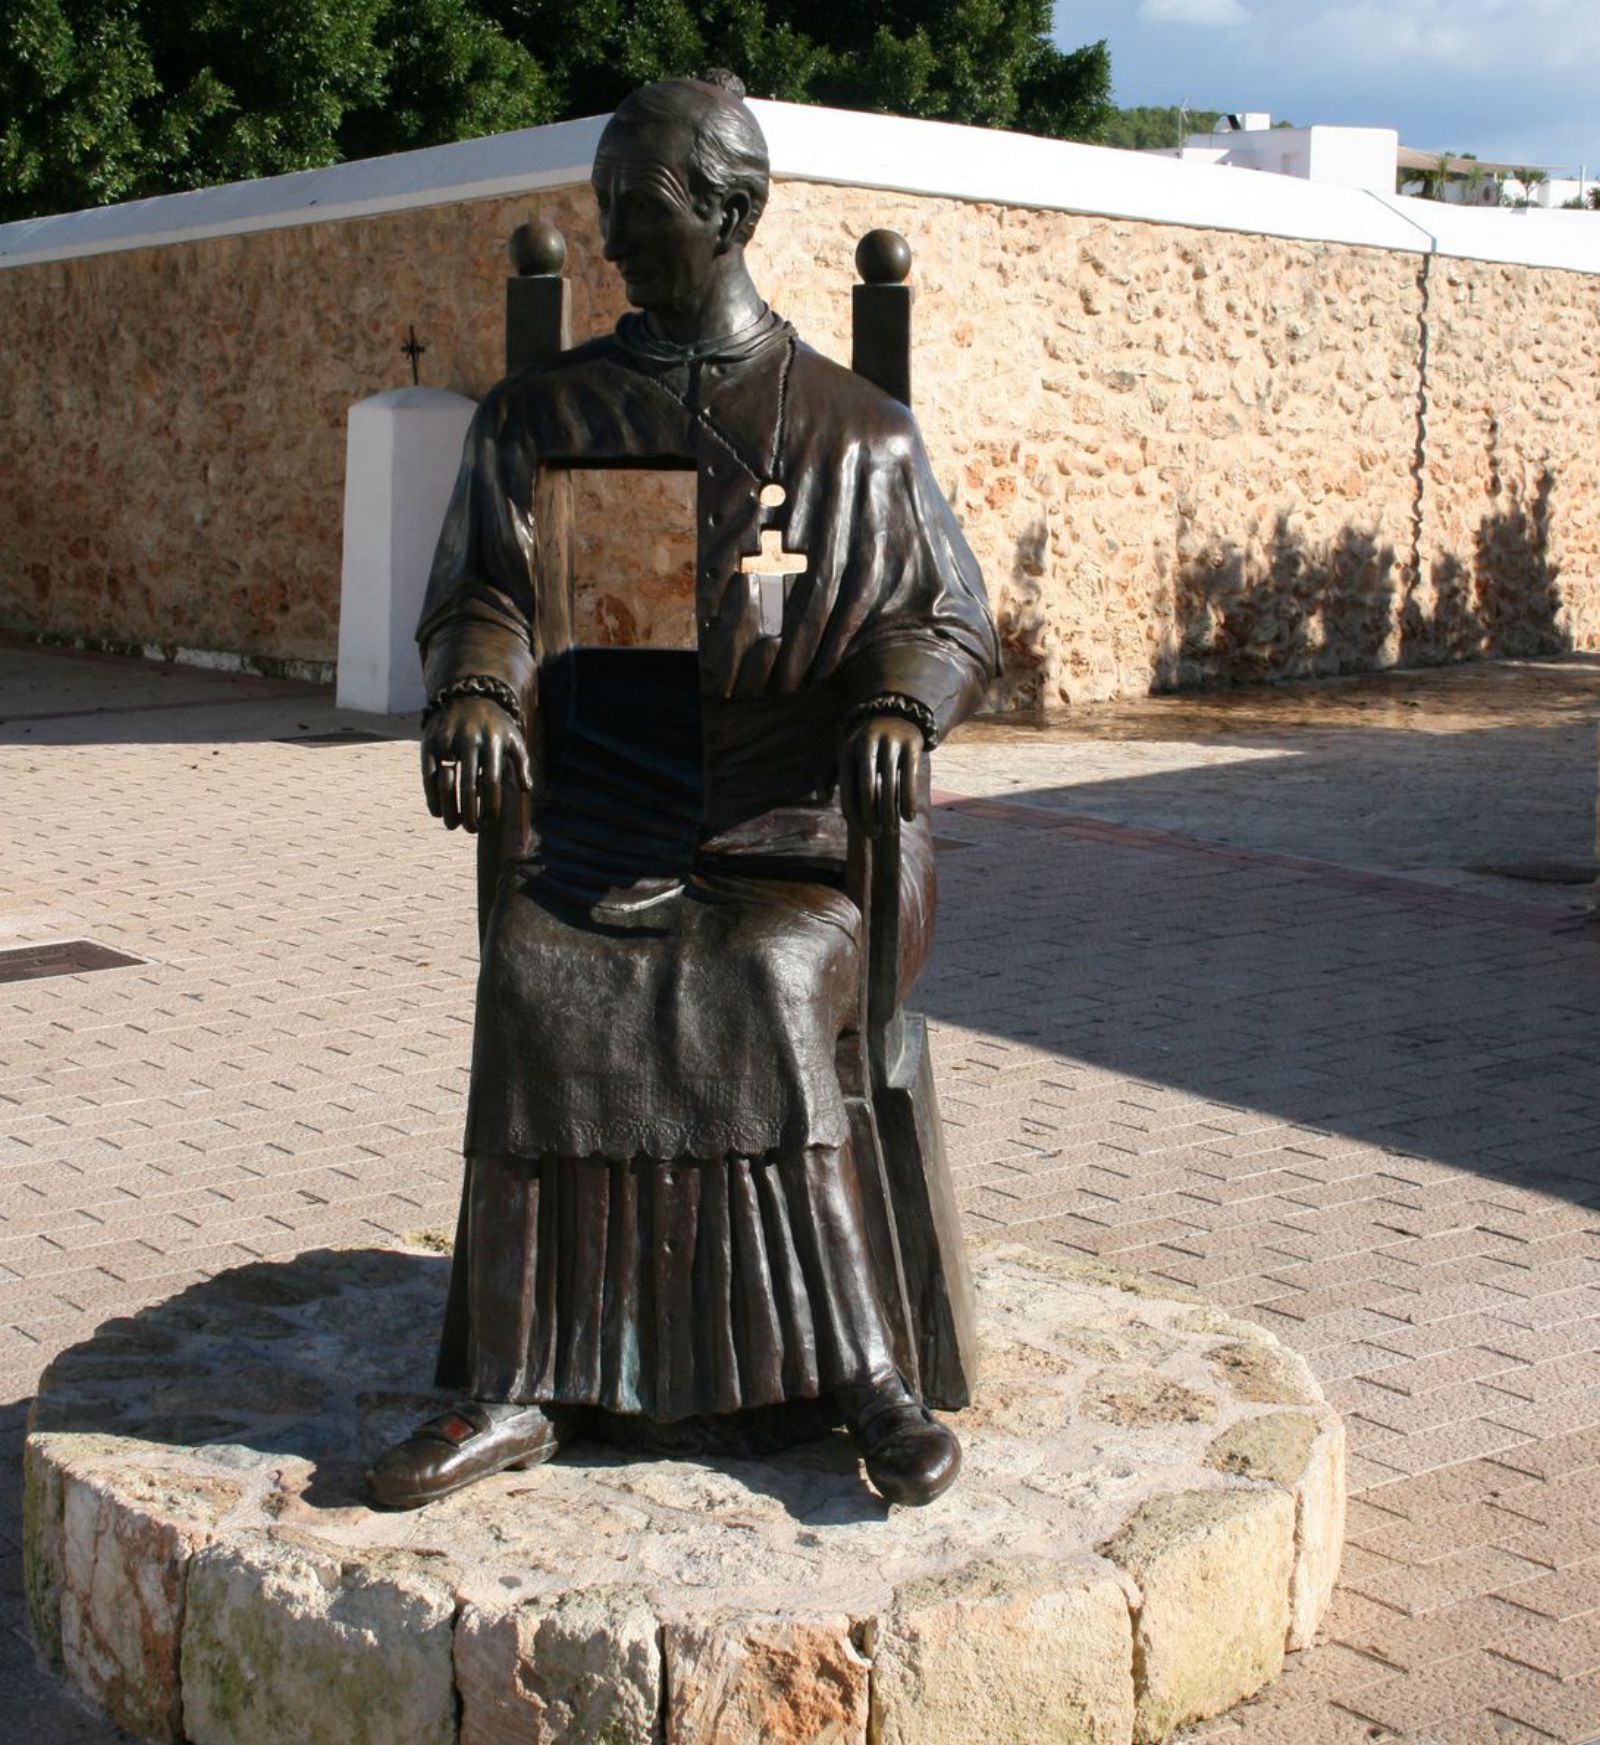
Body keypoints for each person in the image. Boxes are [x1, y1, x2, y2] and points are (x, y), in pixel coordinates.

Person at [367, 70, 998, 1513]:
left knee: (766, 975)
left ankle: (861, 1375)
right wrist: (473, 685)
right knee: (540, 964)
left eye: (638, 214)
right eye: (599, 216)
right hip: (615, 812)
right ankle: (513, 1384)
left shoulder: (854, 435)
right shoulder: (557, 416)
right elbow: (494, 601)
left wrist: (900, 703)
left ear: (733, 212)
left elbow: (944, 617)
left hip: (798, 836)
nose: (611, 245)